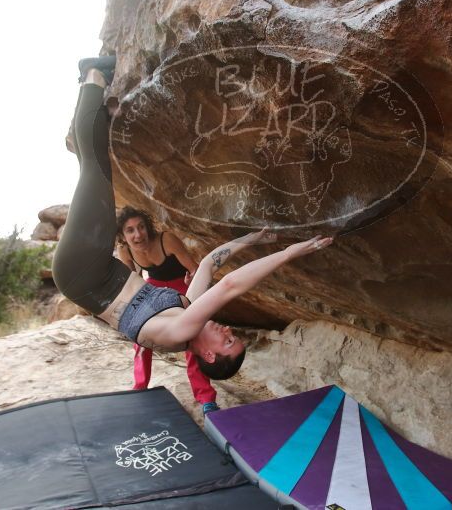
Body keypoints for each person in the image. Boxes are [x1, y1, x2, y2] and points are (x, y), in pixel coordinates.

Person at [52, 56, 333, 382]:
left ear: (210, 354)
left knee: (94, 168)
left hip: (82, 272)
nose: (227, 330)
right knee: (97, 164)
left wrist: (289, 253)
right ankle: (95, 92)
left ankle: (93, 75)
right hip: (97, 271)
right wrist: (251, 239)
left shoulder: (177, 333)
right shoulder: (185, 309)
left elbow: (230, 285)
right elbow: (210, 264)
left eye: (227, 340)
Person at [115, 207, 220, 415]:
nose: (138, 234)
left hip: (183, 286)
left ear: (147, 227)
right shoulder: (125, 250)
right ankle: (140, 387)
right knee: (141, 334)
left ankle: (206, 398)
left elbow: (195, 269)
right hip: (154, 288)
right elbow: (131, 281)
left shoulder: (167, 240)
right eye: (130, 230)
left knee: (193, 336)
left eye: (141, 227)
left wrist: (193, 286)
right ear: (123, 235)